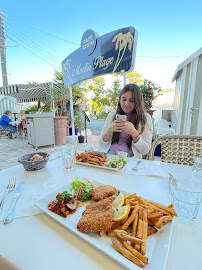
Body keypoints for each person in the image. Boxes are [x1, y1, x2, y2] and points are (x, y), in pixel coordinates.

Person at [99, 83, 153, 159]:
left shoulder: (145, 118)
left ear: (137, 102)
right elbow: (101, 144)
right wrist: (109, 131)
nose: (126, 103)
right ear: (120, 99)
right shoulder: (112, 115)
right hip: (109, 155)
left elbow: (145, 151)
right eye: (124, 99)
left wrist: (134, 133)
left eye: (131, 100)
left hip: (129, 158)